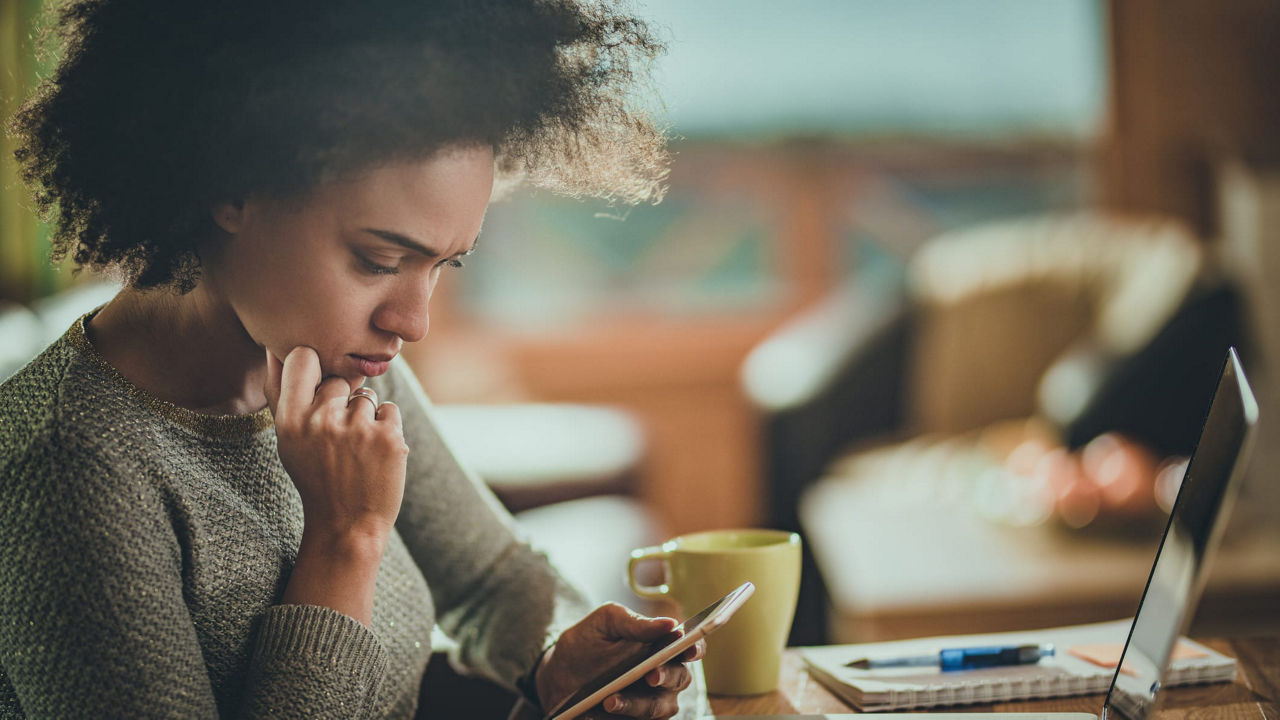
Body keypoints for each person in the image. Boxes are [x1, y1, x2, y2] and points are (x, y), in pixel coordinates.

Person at [0, 0, 699, 717]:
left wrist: (557, 655)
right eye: (378, 260)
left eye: (444, 265)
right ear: (231, 186)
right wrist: (342, 543)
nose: (413, 322)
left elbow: (490, 579)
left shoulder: (338, 363)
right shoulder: (66, 469)